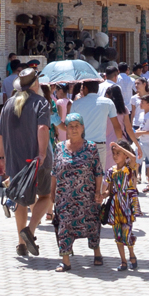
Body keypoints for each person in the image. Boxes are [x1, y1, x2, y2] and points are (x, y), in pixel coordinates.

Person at [0, 69, 55, 256]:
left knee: (20, 200)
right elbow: (42, 128)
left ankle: (21, 243)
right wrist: (41, 153)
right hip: (37, 160)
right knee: (45, 196)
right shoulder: (41, 102)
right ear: (35, 84)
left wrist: (0, 158)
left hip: (15, 160)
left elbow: (0, 134)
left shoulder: (7, 104)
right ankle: (29, 231)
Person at [49, 113, 105, 271]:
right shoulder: (59, 147)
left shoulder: (91, 147)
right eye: (70, 126)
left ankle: (97, 253)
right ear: (65, 128)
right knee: (64, 226)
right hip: (65, 198)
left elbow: (98, 172)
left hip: (87, 196)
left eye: (77, 126)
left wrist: (98, 192)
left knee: (93, 225)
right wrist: (52, 193)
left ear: (82, 128)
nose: (74, 129)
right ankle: (66, 261)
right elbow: (54, 172)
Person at [106, 141, 142, 271]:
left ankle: (132, 254)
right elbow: (109, 190)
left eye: (118, 153)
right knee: (117, 235)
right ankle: (123, 261)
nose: (115, 156)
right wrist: (100, 196)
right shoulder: (111, 171)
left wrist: (120, 147)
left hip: (127, 205)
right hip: (115, 206)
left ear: (125, 154)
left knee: (126, 233)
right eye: (114, 153)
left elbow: (133, 158)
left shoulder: (130, 168)